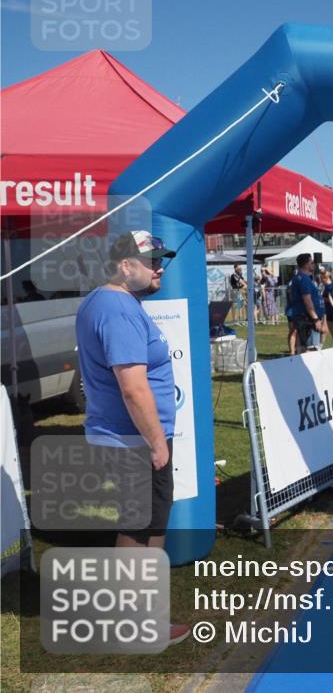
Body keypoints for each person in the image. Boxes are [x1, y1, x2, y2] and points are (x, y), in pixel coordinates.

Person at [75, 230, 190, 645]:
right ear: (125, 266)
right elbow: (133, 387)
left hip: (132, 437)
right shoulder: (117, 307)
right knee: (138, 529)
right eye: (152, 259)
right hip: (132, 439)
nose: (161, 266)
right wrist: (157, 442)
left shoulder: (114, 303)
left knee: (147, 524)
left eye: (163, 258)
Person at [285, 253, 323, 355]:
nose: (314, 264)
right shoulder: (304, 279)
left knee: (302, 347)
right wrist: (315, 318)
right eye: (312, 262)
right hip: (307, 318)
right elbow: (307, 300)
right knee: (311, 349)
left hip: (302, 317)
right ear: (306, 265)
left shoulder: (300, 278)